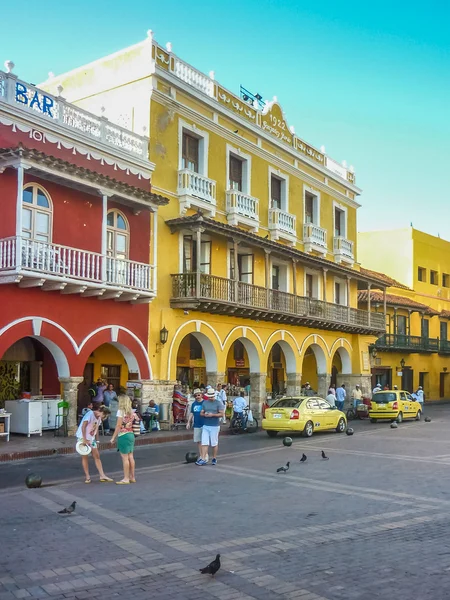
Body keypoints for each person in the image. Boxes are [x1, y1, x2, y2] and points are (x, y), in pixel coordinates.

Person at [75, 401, 113, 484]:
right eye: (105, 415)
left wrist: (97, 440)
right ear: (102, 412)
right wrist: (84, 439)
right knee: (85, 457)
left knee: (97, 456)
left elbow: (96, 429)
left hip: (91, 438)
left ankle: (102, 475)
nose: (104, 417)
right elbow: (83, 426)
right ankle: (87, 476)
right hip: (83, 437)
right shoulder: (90, 414)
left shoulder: (99, 418)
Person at [110, 394, 140, 484]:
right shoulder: (132, 412)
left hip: (123, 435)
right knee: (131, 456)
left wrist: (113, 437)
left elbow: (118, 425)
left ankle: (126, 478)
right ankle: (132, 477)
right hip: (131, 434)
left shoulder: (120, 411)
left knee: (125, 458)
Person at [196, 389, 224, 466]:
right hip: (206, 425)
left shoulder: (218, 403)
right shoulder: (205, 403)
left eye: (212, 397)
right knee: (204, 442)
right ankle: (203, 458)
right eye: (209, 397)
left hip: (214, 425)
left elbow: (221, 414)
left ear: (214, 396)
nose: (210, 398)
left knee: (214, 443)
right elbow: (202, 412)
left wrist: (213, 415)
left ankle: (214, 458)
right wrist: (204, 414)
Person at [186, 389, 204, 456]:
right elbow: (192, 413)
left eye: (198, 395)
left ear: (201, 395)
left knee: (204, 441)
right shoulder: (194, 404)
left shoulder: (205, 403)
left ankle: (205, 454)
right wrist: (188, 422)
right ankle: (201, 455)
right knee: (198, 441)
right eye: (196, 396)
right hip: (196, 424)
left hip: (204, 424)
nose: (197, 397)